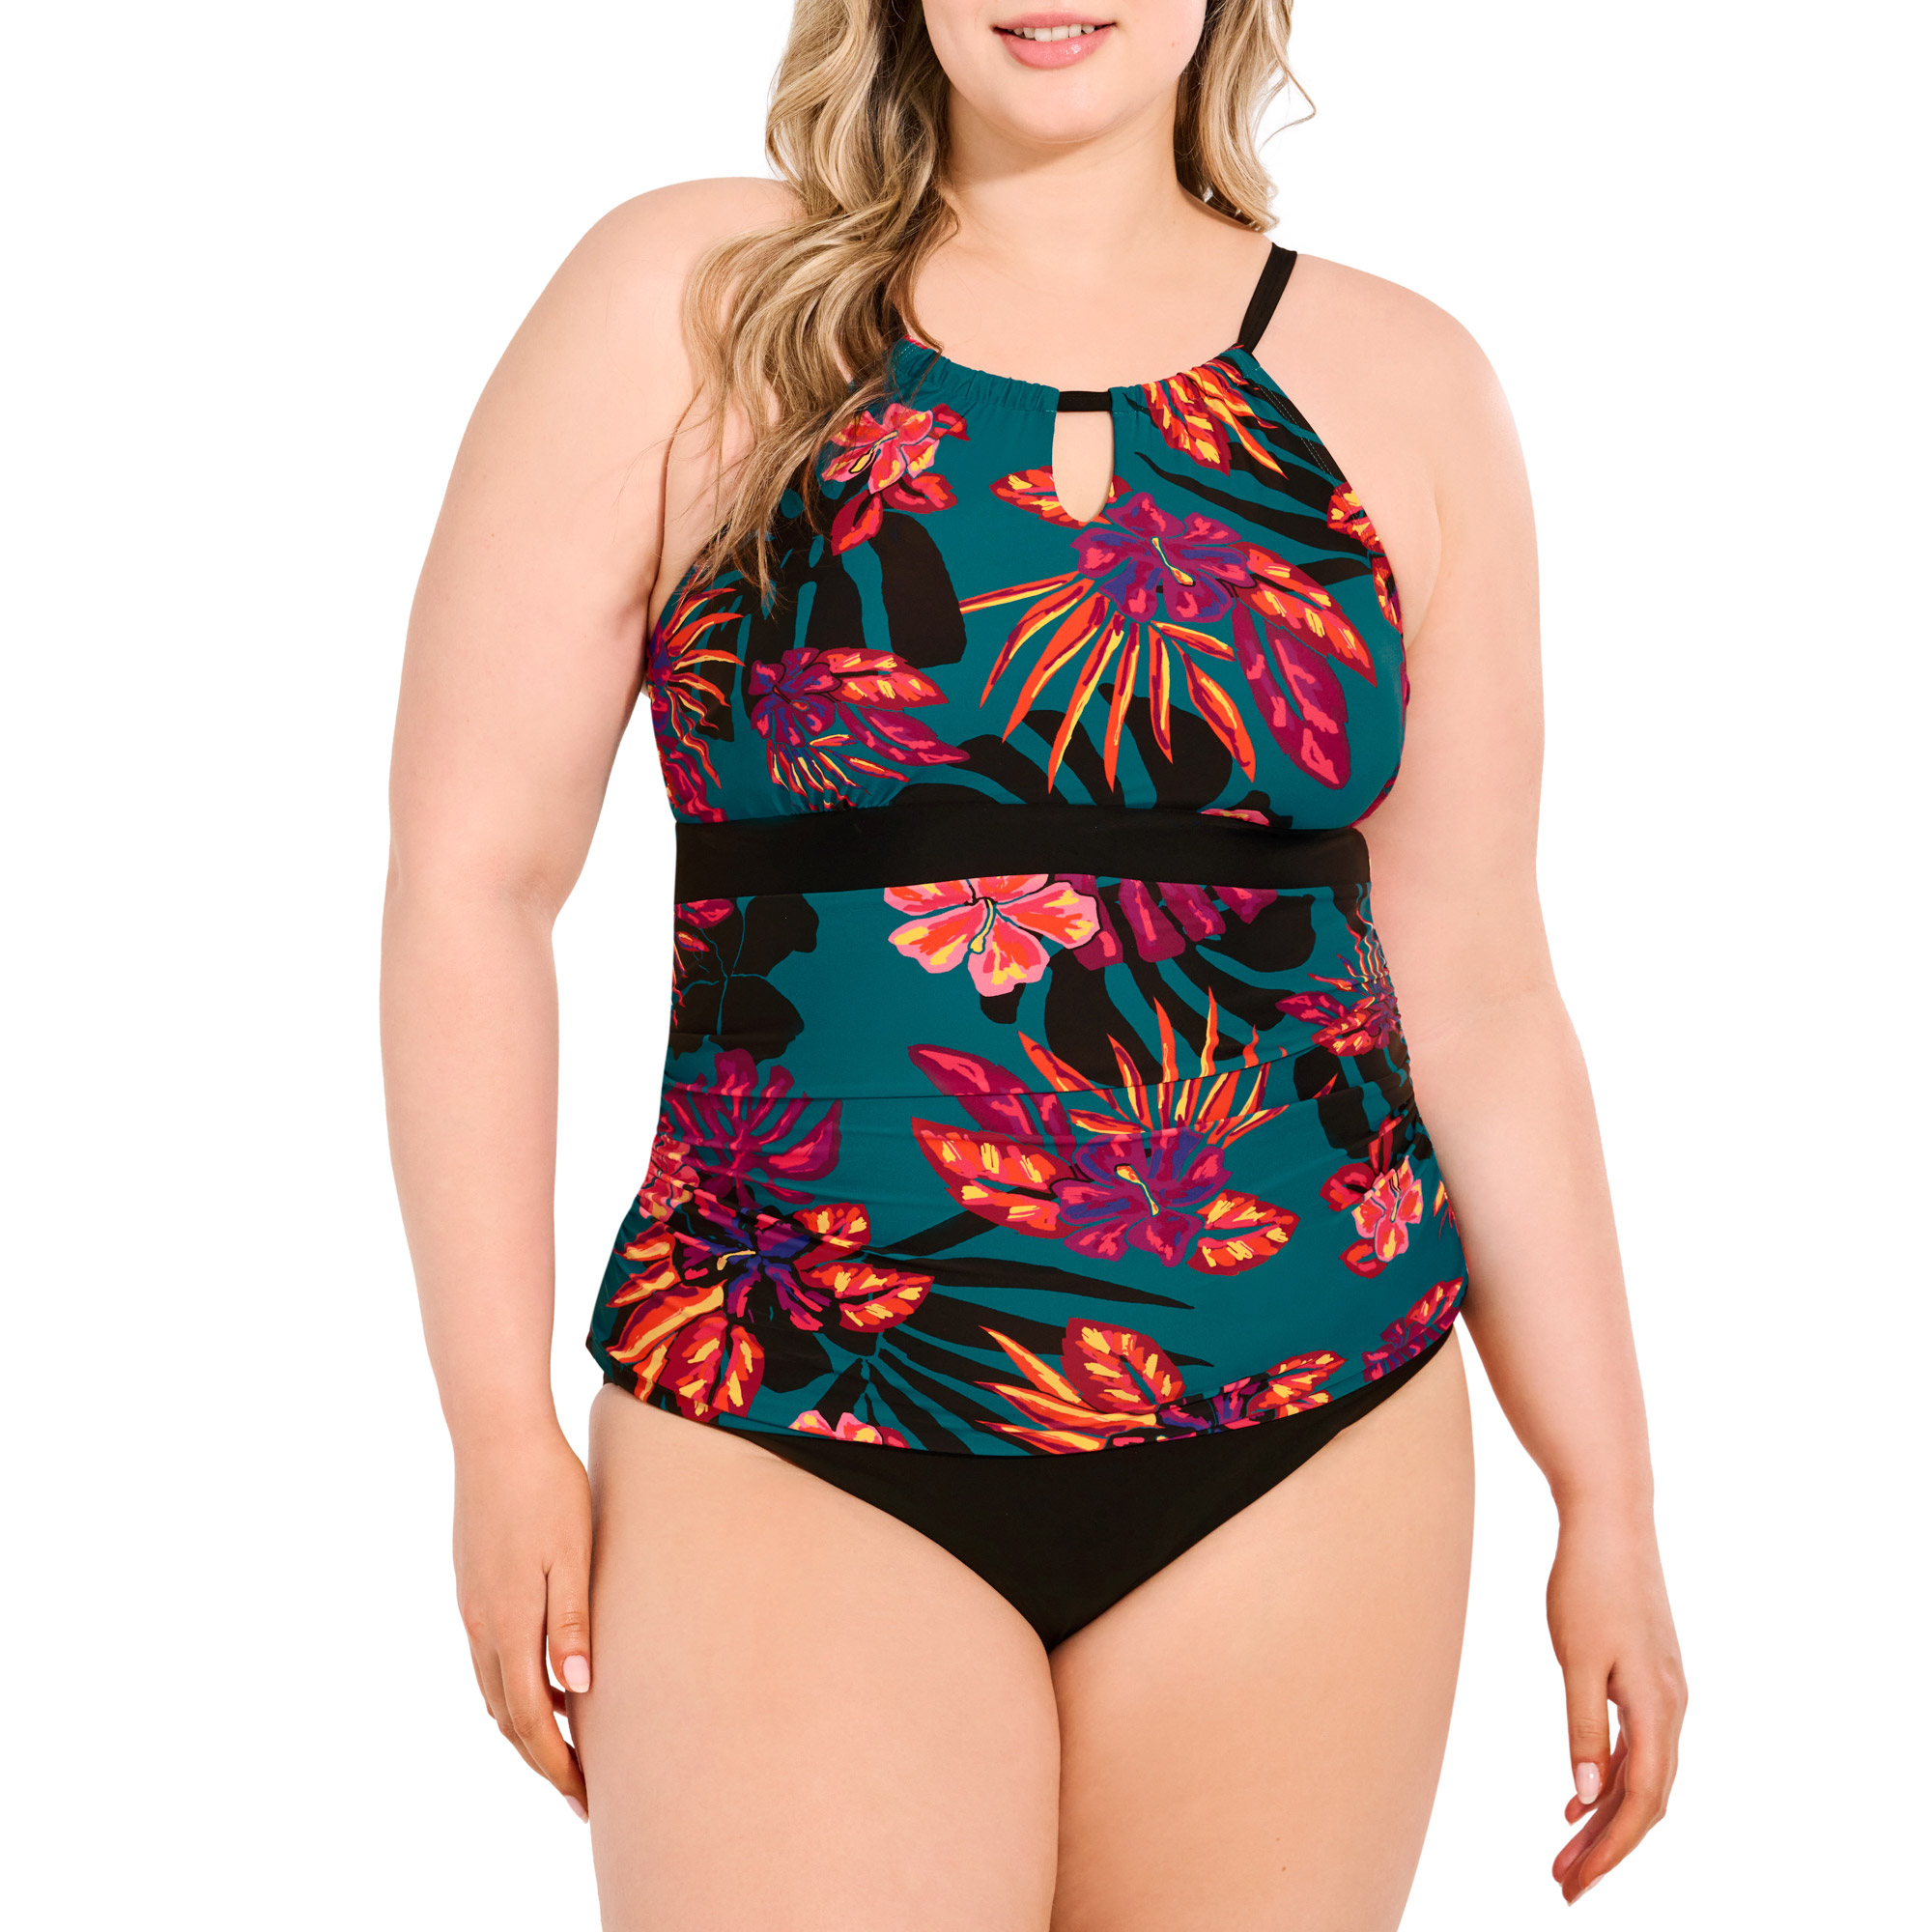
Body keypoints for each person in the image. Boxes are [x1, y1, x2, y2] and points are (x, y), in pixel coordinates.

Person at [382, 2, 1687, 1923]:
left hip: (1315, 1429)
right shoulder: (702, 299)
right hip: (785, 1404)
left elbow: (1480, 988)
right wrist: (496, 1437)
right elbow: (471, 886)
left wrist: (1610, 1502)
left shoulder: (1399, 379)